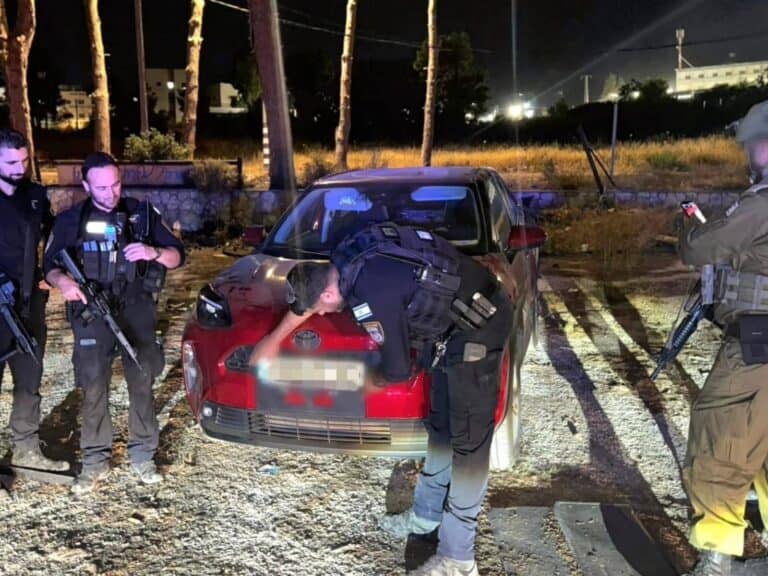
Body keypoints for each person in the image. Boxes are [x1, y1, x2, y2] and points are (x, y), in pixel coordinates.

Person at [249, 222, 514, 576]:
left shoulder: (370, 291)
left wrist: (367, 383)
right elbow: (310, 300)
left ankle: (459, 558)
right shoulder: (343, 258)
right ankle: (424, 519)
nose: (324, 315)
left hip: (481, 325)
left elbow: (397, 370)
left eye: (321, 310)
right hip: (451, 331)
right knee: (441, 427)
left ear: (328, 295)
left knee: (468, 443)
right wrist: (272, 343)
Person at [44, 152, 185, 494]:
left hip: (136, 310)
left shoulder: (142, 214)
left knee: (141, 381)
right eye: (102, 187)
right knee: (93, 386)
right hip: (92, 312)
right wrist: (64, 283)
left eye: (116, 184)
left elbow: (177, 257)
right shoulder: (70, 221)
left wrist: (152, 253)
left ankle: (143, 456)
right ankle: (94, 461)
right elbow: (49, 267)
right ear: (86, 185)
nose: (111, 193)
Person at [680, 99, 768, 575]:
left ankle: (717, 552)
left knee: (721, 436)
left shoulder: (762, 204)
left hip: (759, 340)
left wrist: (685, 224)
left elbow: (700, 247)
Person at [0, 129, 68, 472]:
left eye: (24, 161)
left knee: (30, 380)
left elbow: (54, 238)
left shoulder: (35, 196)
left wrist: (50, 273)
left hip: (29, 307)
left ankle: (26, 450)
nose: (19, 168)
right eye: (11, 161)